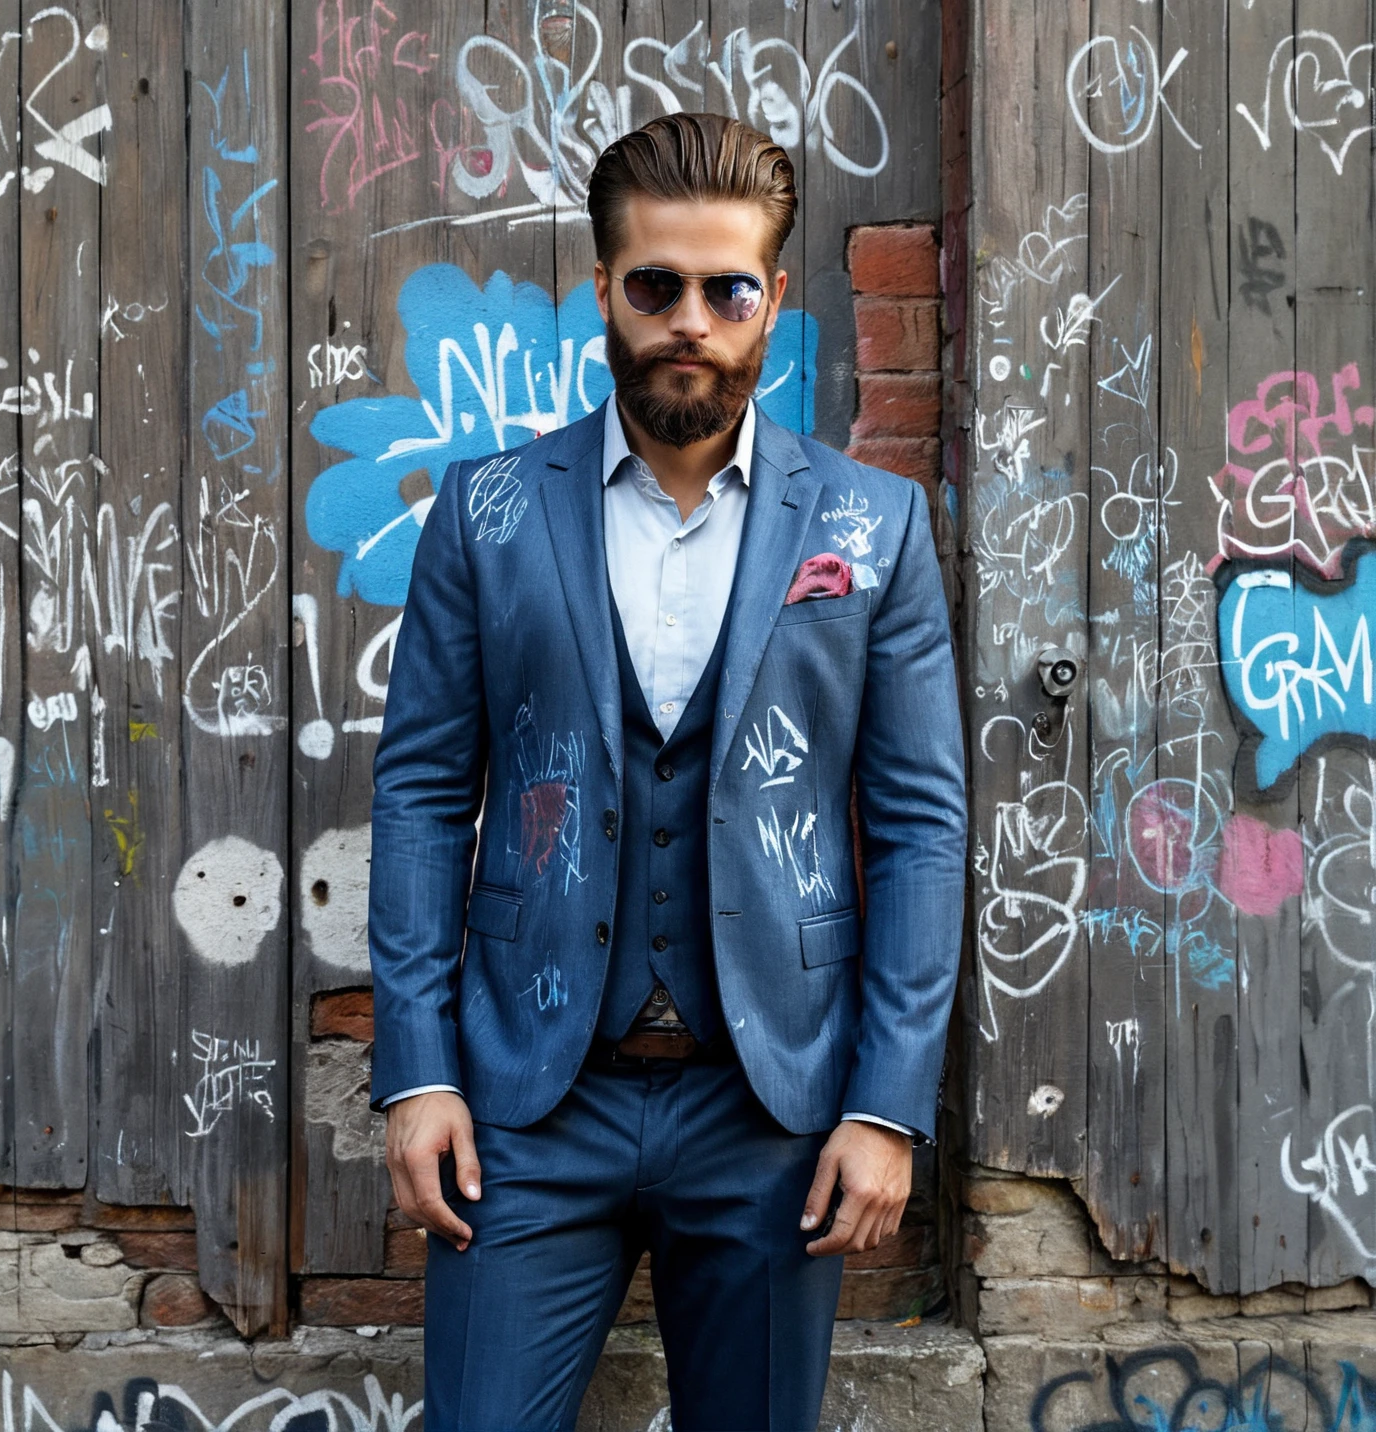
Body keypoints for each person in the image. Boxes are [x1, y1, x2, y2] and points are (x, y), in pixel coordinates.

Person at [368, 112, 966, 1432]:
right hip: (530, 1109)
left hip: (776, 1114)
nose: (690, 319)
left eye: (726, 288)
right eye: (657, 287)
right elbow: (419, 792)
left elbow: (921, 822)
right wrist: (418, 1075)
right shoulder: (489, 512)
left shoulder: (873, 526)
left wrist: (886, 1104)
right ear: (605, 294)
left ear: (773, 301)